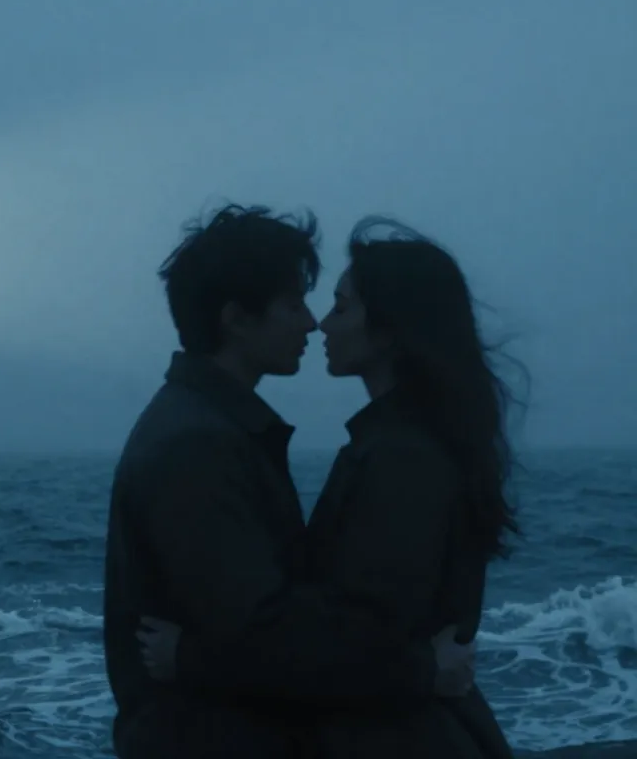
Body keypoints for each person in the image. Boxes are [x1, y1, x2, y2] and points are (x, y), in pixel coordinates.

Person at [134, 216, 521, 757]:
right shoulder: (206, 440)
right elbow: (323, 626)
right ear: (236, 319)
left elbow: (357, 628)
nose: (318, 324)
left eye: (339, 308)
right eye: (299, 305)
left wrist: (189, 658)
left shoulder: (402, 455)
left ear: (389, 330)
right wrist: (425, 669)